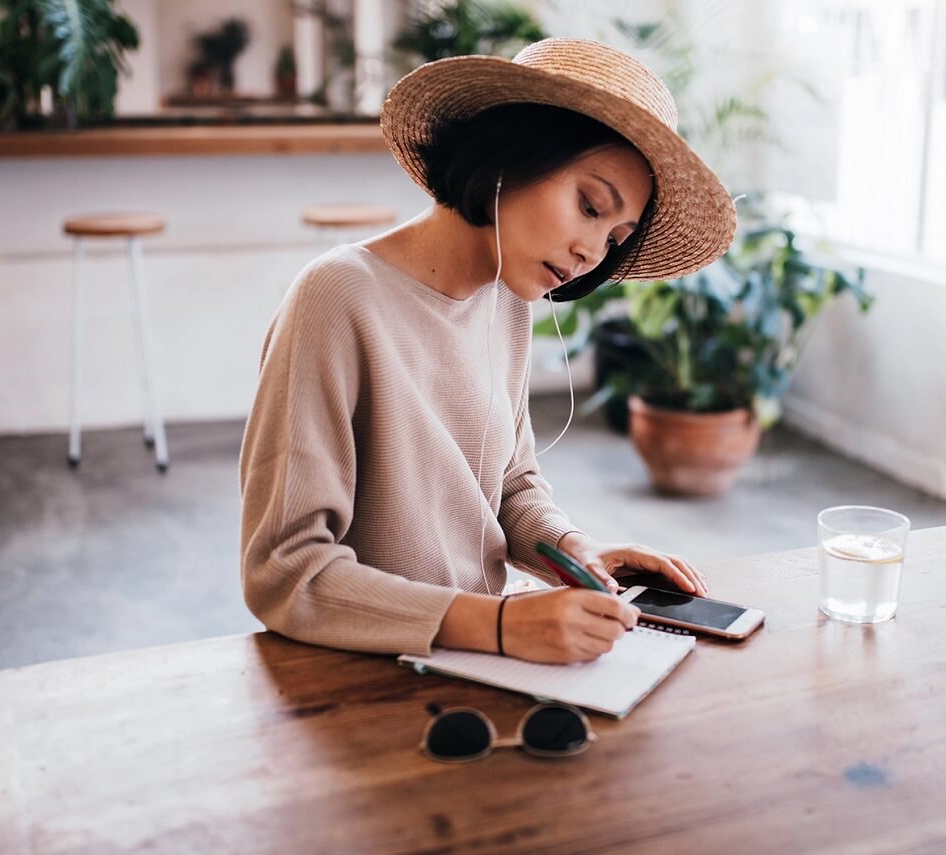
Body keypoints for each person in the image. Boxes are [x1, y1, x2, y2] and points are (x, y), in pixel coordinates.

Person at [239, 38, 737, 665]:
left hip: (476, 662)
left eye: (614, 238)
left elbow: (510, 487)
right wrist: (499, 625)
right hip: (365, 670)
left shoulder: (507, 298)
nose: (592, 253)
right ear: (512, 154)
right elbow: (285, 570)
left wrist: (574, 551)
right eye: (589, 205)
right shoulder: (337, 297)